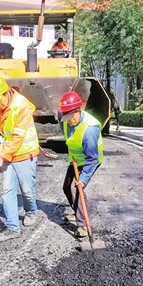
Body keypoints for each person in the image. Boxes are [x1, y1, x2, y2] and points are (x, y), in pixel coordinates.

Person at [0, 76, 40, 242]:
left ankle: (31, 211)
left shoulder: (21, 104)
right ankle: (13, 228)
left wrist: (1, 156)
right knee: (7, 191)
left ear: (6, 93)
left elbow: (17, 137)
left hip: (25, 153)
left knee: (27, 189)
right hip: (8, 154)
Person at [58, 91, 103, 238]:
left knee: (76, 188)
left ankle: (83, 225)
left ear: (79, 110)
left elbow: (92, 159)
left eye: (72, 117)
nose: (69, 121)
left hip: (90, 161)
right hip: (76, 159)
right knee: (66, 187)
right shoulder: (64, 117)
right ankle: (77, 211)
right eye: (66, 117)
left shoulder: (89, 130)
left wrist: (82, 179)